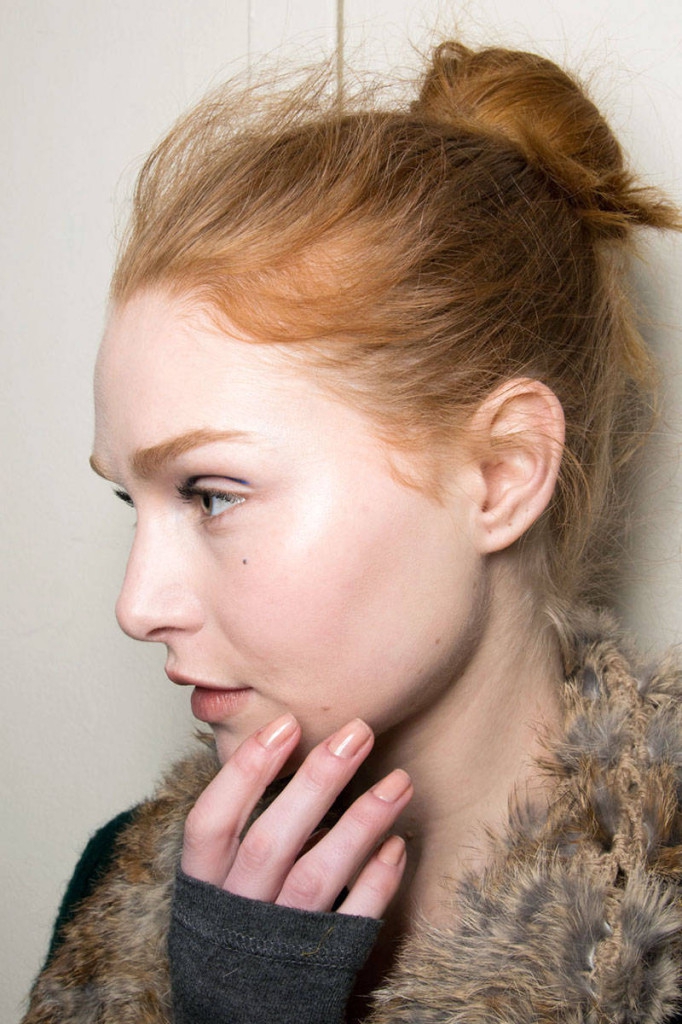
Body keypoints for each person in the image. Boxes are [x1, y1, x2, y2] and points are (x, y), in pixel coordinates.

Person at [21, 39, 682, 1024]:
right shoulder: (122, 892)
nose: (136, 605)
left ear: (501, 473)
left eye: (210, 494)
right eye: (132, 500)